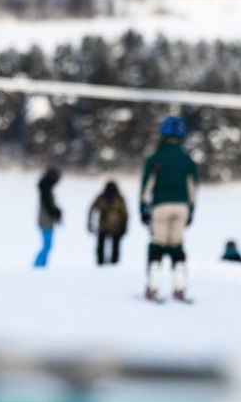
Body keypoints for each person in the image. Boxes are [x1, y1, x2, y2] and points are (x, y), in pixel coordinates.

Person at [139, 115, 200, 303]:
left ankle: (153, 286)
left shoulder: (155, 157)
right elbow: (193, 188)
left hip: (160, 206)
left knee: (157, 244)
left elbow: (147, 186)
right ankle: (180, 287)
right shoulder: (187, 159)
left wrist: (143, 208)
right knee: (177, 245)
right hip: (182, 206)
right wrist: (191, 210)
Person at [86, 180, 128, 266]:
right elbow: (125, 214)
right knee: (106, 246)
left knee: (112, 246)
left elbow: (125, 213)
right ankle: (104, 262)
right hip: (109, 226)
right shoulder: (115, 198)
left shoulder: (115, 198)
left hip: (110, 226)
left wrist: (90, 223)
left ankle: (109, 262)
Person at [34, 167, 62, 268]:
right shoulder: (46, 189)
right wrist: (56, 212)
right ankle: (38, 266)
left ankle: (41, 265)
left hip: (46, 220)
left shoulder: (46, 188)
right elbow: (48, 206)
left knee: (48, 245)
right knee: (47, 245)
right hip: (45, 221)